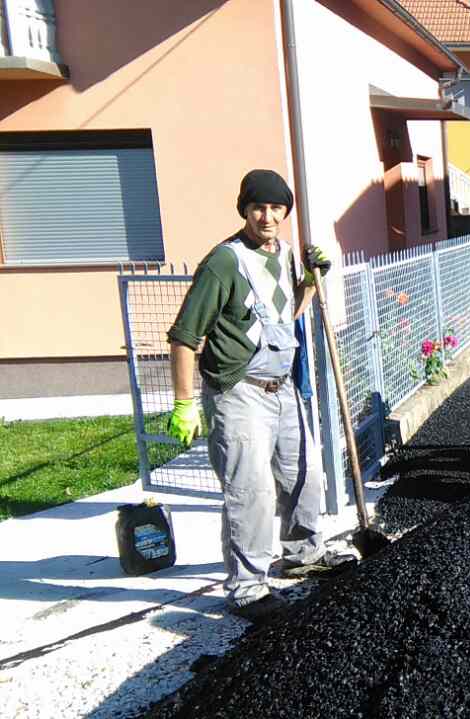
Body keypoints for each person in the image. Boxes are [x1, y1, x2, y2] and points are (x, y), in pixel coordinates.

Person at [166, 169, 352, 622]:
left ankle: (303, 552)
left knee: (303, 474)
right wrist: (184, 402)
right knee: (250, 491)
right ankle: (247, 586)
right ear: (245, 210)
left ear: (286, 211)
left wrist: (313, 276)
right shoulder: (225, 263)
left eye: (276, 208)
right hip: (239, 390)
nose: (267, 216)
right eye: (258, 207)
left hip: (282, 385)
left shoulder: (286, 254)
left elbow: (288, 314)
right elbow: (184, 336)